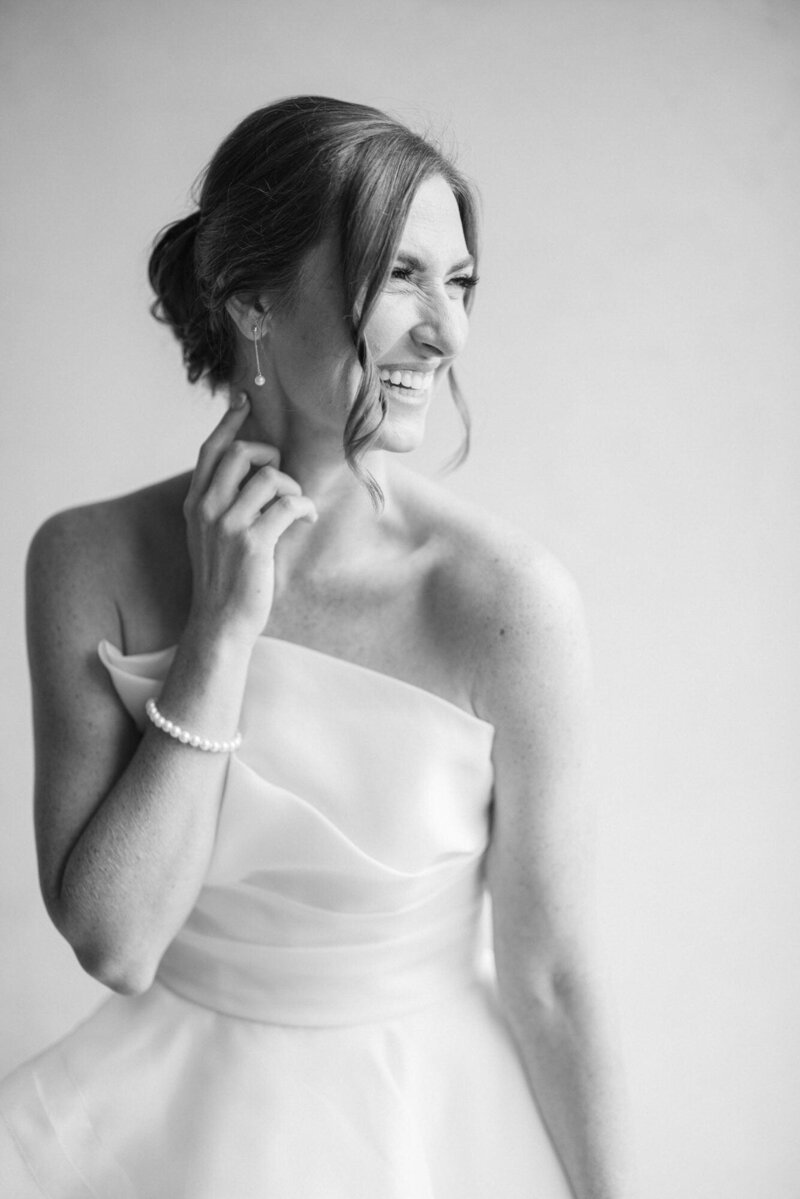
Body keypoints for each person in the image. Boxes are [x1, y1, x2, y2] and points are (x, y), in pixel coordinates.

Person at [0, 96, 628, 1198]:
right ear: (249, 299)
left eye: (460, 281)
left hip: (423, 1130)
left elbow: (552, 979)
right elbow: (117, 942)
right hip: (157, 1128)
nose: (448, 331)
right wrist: (221, 628)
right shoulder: (83, 561)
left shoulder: (506, 604)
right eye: (399, 276)